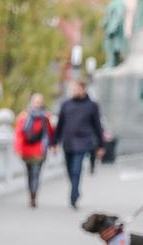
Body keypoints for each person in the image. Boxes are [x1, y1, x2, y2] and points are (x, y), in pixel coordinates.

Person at [52, 80, 105, 208]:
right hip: (68, 142)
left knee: (76, 170)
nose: (73, 91)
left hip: (83, 142)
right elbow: (60, 125)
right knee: (69, 170)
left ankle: (73, 196)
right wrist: (54, 142)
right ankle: (75, 190)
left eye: (76, 89)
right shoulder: (66, 104)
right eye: (72, 89)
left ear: (83, 89)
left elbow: (97, 126)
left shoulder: (92, 105)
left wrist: (101, 145)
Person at [14, 93, 55, 208]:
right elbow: (19, 134)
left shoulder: (45, 117)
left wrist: (53, 145)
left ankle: (33, 195)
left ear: (42, 103)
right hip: (27, 150)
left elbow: (50, 133)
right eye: (35, 102)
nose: (37, 104)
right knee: (30, 174)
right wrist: (18, 149)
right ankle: (31, 193)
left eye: (39, 102)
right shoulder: (24, 116)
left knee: (36, 173)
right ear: (31, 102)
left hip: (40, 150)